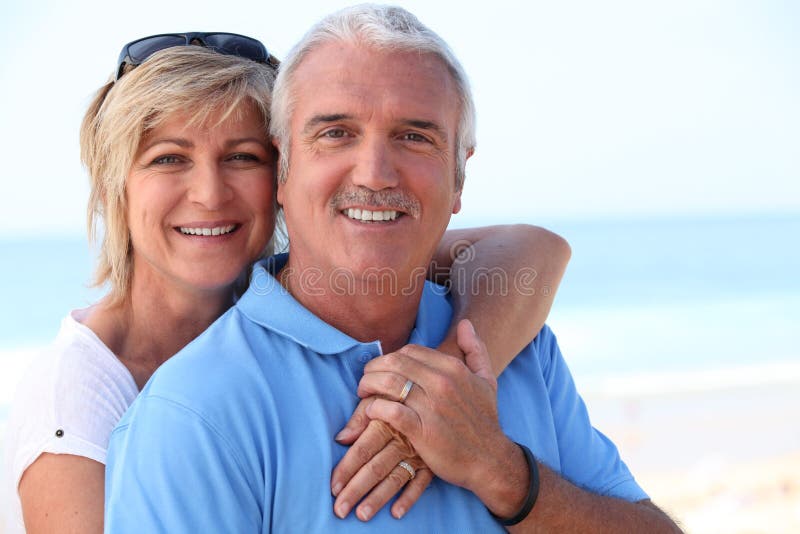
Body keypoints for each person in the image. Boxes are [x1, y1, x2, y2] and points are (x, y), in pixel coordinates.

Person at [104, 6, 682, 533]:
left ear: (459, 178)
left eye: (414, 137)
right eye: (336, 133)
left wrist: (503, 470)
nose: (376, 173)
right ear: (283, 169)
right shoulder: (193, 417)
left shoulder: (523, 351)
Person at [2, 32, 571, 534]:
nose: (209, 193)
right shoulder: (76, 402)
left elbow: (531, 250)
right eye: (169, 159)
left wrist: (443, 389)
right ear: (113, 189)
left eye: (243, 157)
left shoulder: (303, 289)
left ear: (284, 174)